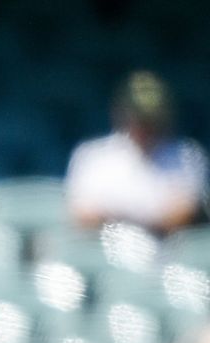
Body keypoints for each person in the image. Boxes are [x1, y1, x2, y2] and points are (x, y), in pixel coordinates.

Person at [65, 71, 207, 235]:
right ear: (120, 113)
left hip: (167, 254)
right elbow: (84, 215)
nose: (145, 126)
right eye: (138, 118)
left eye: (151, 118)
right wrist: (148, 217)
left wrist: (116, 215)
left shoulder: (187, 155)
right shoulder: (92, 154)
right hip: (105, 252)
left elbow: (181, 216)